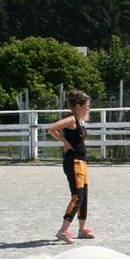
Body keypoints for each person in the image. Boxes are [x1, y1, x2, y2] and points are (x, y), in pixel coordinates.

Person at [48, 89, 95, 243]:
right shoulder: (71, 120)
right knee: (77, 196)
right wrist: (65, 142)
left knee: (84, 196)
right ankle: (63, 231)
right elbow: (51, 128)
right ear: (78, 106)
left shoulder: (80, 121)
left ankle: (82, 229)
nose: (88, 108)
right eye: (86, 106)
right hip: (73, 162)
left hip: (81, 162)